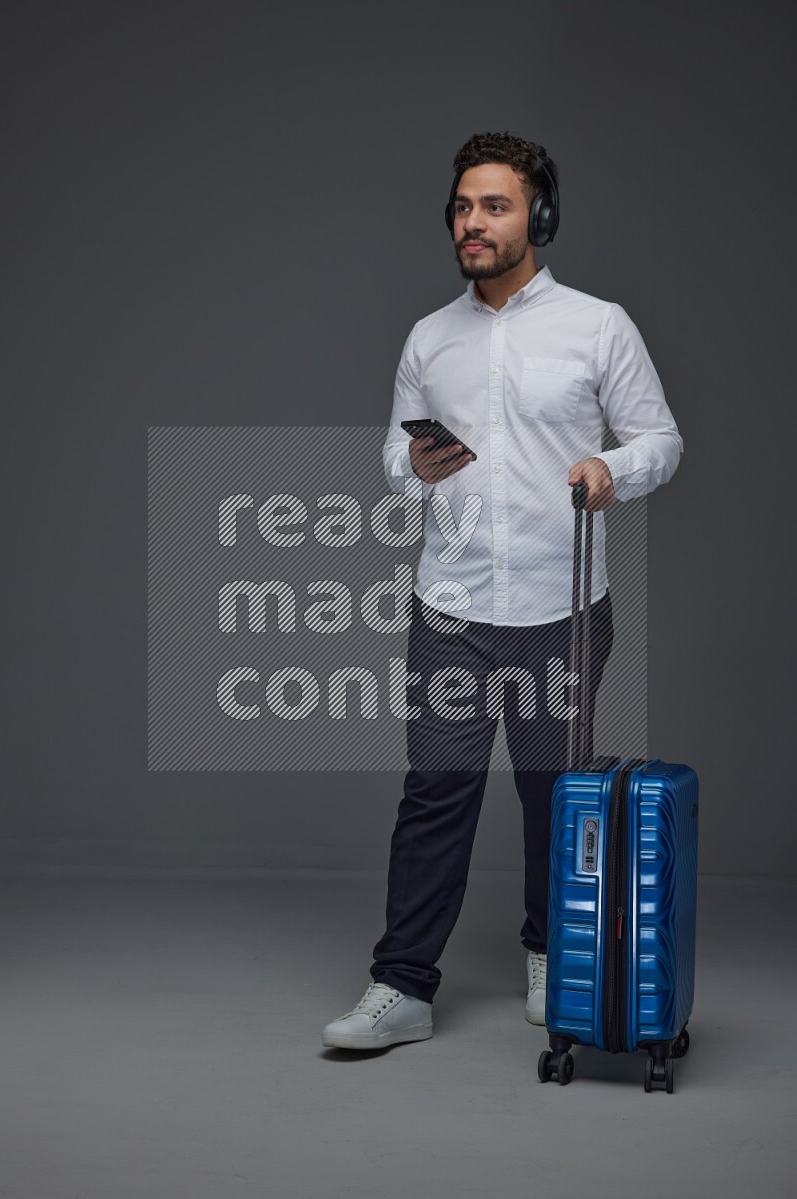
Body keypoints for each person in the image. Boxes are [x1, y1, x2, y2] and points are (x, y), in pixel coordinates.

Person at [322, 131, 683, 1051]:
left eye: (494, 206)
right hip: (451, 604)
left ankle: (549, 953)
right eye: (462, 207)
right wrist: (412, 465)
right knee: (435, 794)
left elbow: (661, 440)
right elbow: (392, 456)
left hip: (562, 607)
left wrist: (611, 467)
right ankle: (401, 986)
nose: (472, 223)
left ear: (539, 217)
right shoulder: (428, 337)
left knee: (552, 795)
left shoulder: (598, 326)